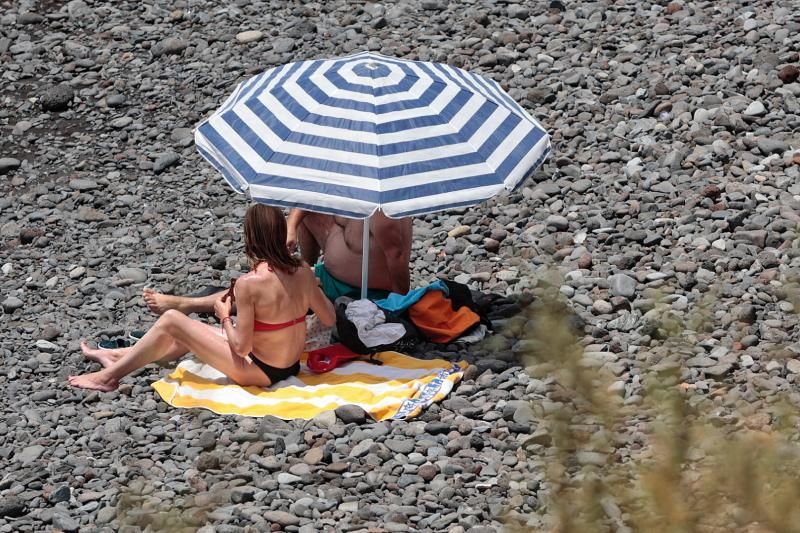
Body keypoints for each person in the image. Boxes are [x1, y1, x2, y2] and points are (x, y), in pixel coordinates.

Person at [69, 204, 336, 392]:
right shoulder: (302, 270)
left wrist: (224, 317)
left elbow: (241, 348)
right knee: (190, 334)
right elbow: (328, 317)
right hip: (290, 367)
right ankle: (117, 355)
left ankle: (107, 378)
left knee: (173, 320)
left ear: (251, 237)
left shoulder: (249, 283)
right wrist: (310, 291)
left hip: (259, 371)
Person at [142, 209, 412, 313]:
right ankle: (301, 275)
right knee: (312, 211)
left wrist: (400, 306)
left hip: (358, 292)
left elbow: (397, 260)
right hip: (330, 275)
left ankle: (188, 305)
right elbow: (309, 199)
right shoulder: (354, 187)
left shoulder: (383, 213)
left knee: (266, 289)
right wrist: (292, 227)